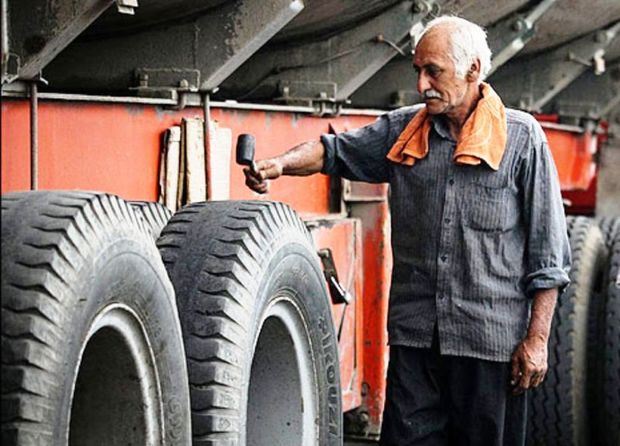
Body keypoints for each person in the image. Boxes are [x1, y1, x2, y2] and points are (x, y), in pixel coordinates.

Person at [243, 15, 571, 446]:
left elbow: (549, 256)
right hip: (417, 343)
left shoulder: (523, 139)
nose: (422, 84)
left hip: (490, 350)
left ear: (473, 70)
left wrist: (537, 340)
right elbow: (332, 152)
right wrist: (280, 164)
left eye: (433, 71)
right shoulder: (403, 130)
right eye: (418, 71)